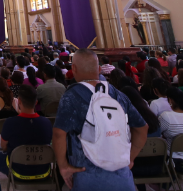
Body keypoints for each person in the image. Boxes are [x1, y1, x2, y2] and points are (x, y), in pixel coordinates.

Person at [52, 49, 148, 190]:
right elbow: (142, 128)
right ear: (98, 69)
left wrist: (63, 166)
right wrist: (130, 158)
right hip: (122, 175)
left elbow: (59, 133)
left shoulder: (72, 96)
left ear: (73, 68)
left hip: (88, 175)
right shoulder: (118, 94)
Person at [0, 85, 53, 191]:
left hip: (17, 171)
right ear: (36, 102)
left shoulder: (10, 122)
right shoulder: (47, 123)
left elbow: (4, 147)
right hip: (43, 172)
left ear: (19, 101)